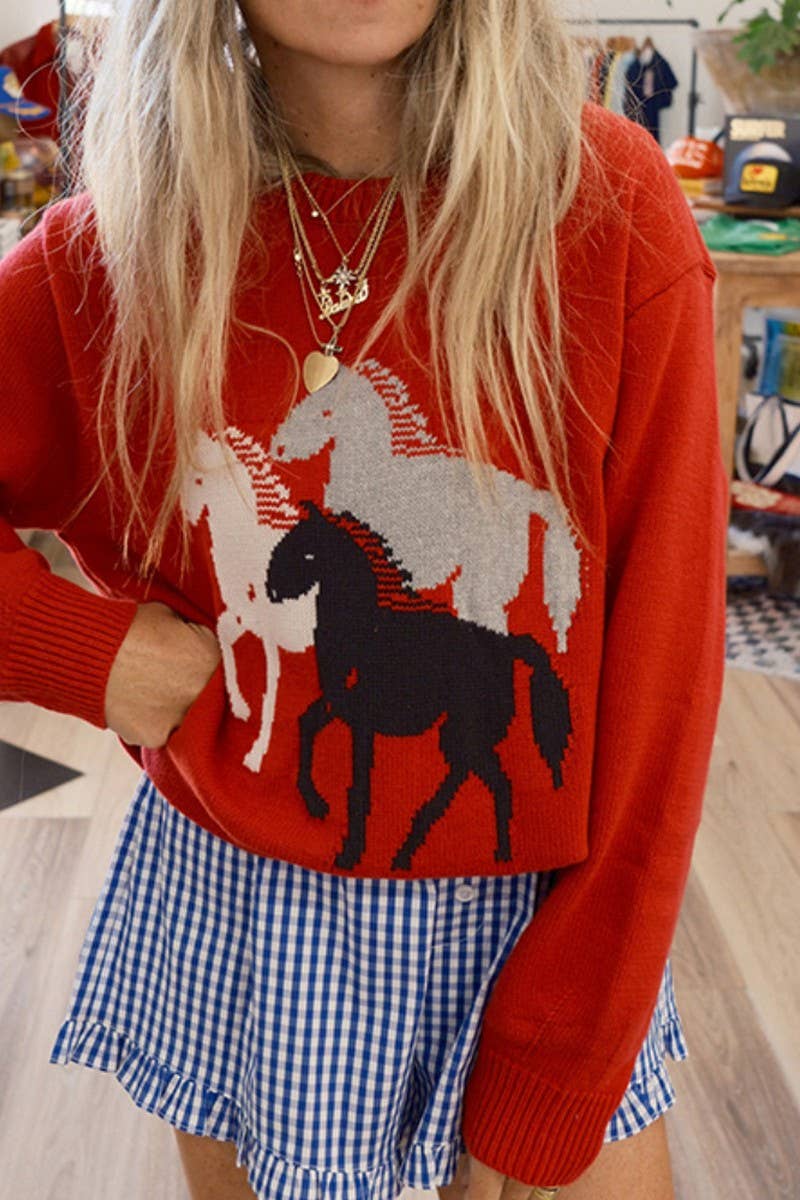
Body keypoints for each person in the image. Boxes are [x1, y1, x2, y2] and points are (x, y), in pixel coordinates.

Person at [0, 2, 729, 1199]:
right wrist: (86, 650)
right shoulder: (116, 247)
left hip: (542, 926)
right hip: (248, 916)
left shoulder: (606, 206)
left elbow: (664, 681)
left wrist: (561, 1048)